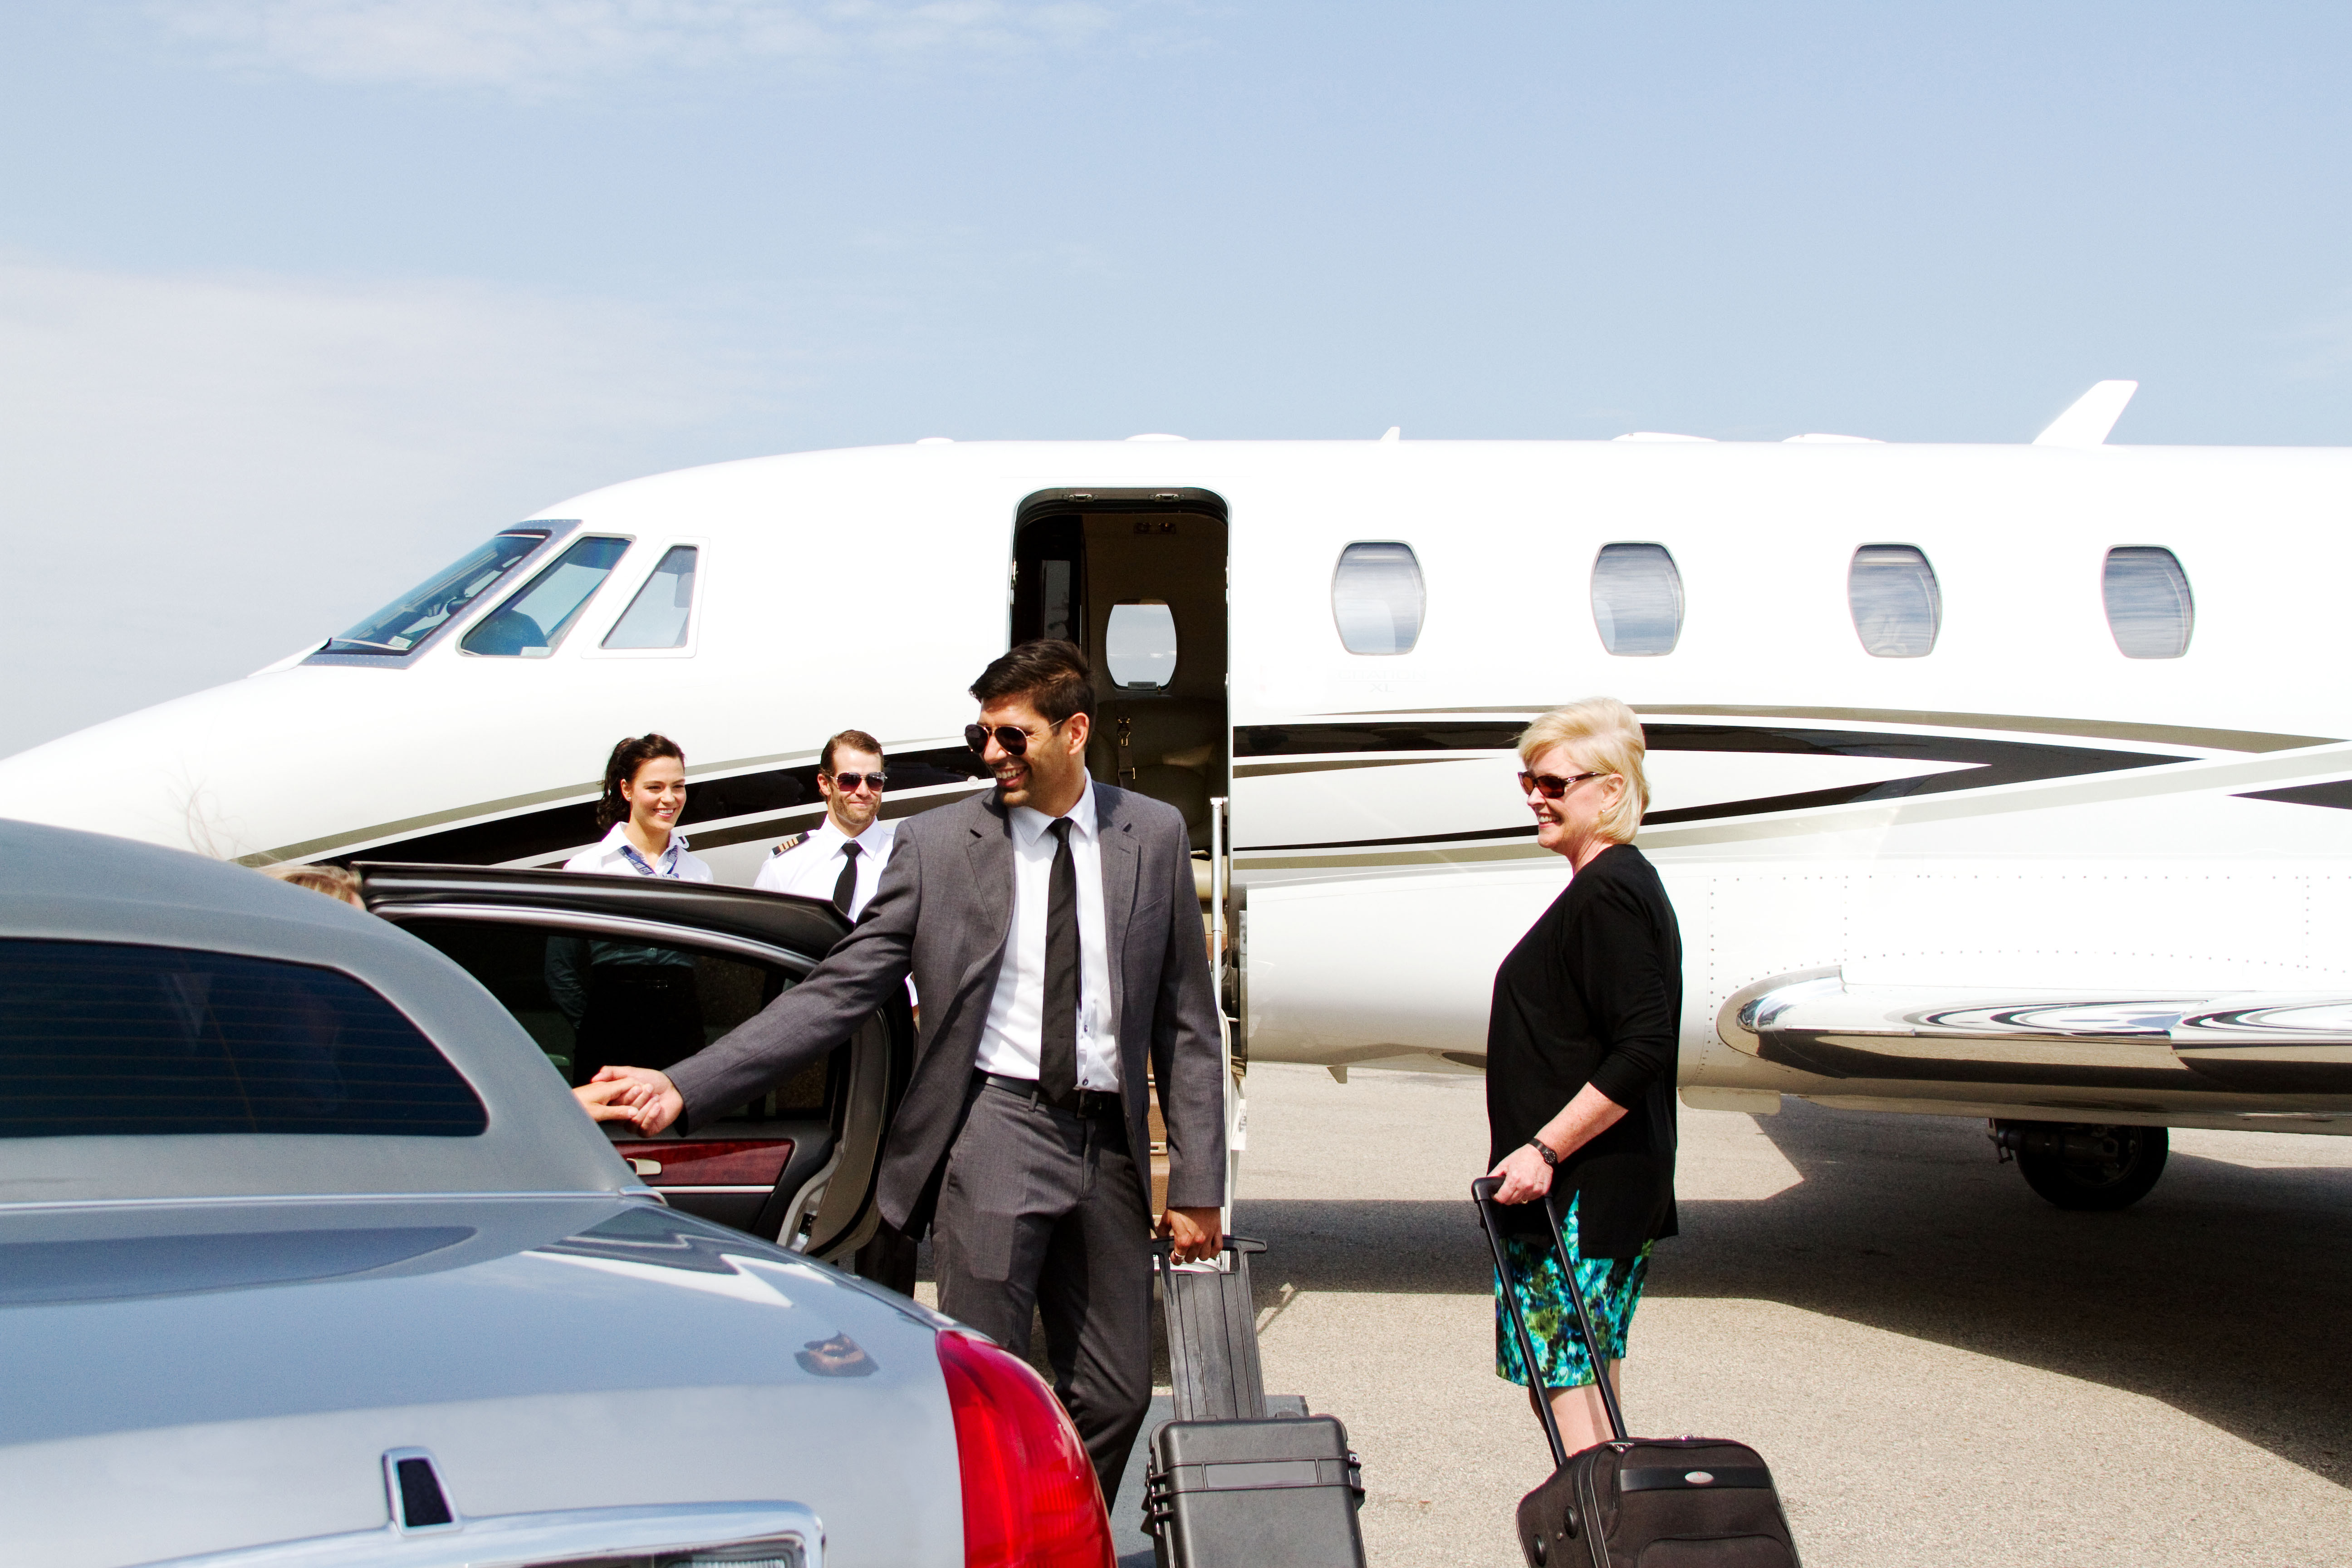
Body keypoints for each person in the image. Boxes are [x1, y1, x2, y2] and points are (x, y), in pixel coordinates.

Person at [595, 641, 1226, 1501]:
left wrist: (1196, 1182)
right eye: (980, 737)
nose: (992, 755)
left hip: (1107, 1146)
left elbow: (1187, 1021)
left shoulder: (1149, 834)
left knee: (1117, 1393)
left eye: (1012, 736)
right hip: (997, 1132)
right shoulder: (935, 845)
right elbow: (838, 989)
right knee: (987, 1390)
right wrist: (685, 1084)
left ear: (1075, 732)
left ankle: (1045, 1532)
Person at [1484, 697, 1681, 1454]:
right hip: (1580, 1192)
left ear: (1611, 790)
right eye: (1527, 781)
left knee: (1569, 1389)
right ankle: (1614, 1517)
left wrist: (1545, 1150)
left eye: (1554, 784)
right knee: (1584, 1385)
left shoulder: (1609, 893)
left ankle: (1601, 1520)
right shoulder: (1613, 885)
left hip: (1576, 1195)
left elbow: (1643, 1046)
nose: (1536, 797)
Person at [258, 859, 642, 1126]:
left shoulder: (342, 1038)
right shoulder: (286, 1057)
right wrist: (557, 1113)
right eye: (361, 935)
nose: (377, 948)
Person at [548, 734, 715, 1086]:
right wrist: (594, 1027)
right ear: (627, 790)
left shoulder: (699, 872)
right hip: (610, 1029)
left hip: (681, 1030)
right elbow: (561, 969)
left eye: (678, 787)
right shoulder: (589, 868)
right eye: (655, 787)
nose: (669, 799)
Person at [755, 728, 896, 919]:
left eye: (874, 780)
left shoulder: (907, 860)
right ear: (824, 784)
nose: (863, 791)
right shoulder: (785, 867)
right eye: (850, 780)